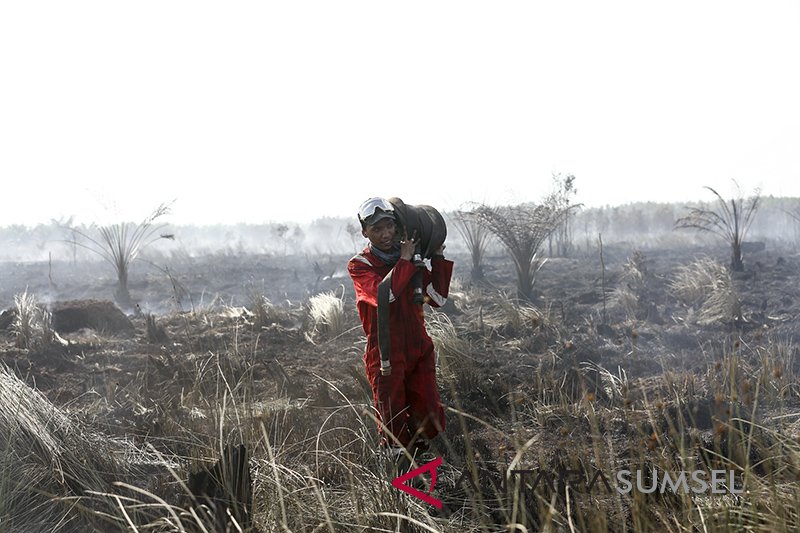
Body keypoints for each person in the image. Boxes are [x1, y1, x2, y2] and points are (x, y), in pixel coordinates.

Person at [348, 197, 454, 456]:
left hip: (418, 349)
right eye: (377, 230)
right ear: (365, 233)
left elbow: (437, 298)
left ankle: (429, 478)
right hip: (386, 354)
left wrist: (437, 255)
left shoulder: (411, 261)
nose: (385, 234)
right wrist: (405, 261)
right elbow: (386, 296)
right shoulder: (361, 265)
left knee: (429, 416)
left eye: (389, 226)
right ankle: (402, 485)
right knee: (393, 424)